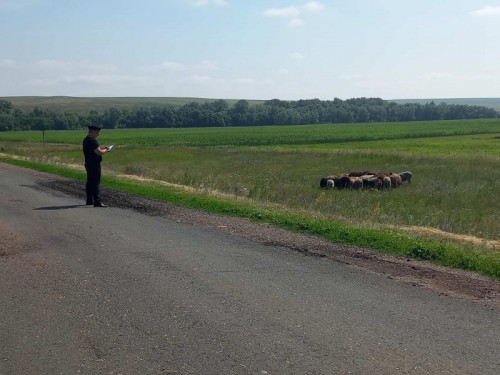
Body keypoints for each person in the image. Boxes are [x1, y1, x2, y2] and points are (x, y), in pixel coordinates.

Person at [82, 124, 112, 207]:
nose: (98, 134)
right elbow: (99, 152)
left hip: (88, 163)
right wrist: (107, 149)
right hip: (94, 165)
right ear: (93, 132)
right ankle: (97, 202)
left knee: (90, 182)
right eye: (97, 132)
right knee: (96, 183)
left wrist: (102, 148)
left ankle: (89, 200)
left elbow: (94, 150)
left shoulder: (86, 140)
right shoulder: (93, 141)